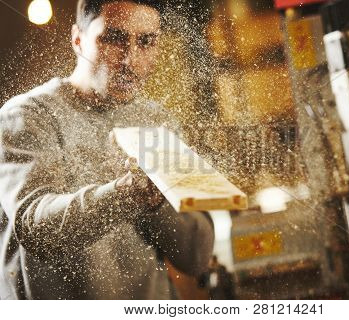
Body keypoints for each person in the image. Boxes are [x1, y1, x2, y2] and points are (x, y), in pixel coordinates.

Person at [0, 0, 214, 299]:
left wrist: (157, 201)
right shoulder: (28, 115)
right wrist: (127, 195)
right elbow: (37, 230)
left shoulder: (157, 123)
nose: (130, 59)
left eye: (146, 42)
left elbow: (196, 255)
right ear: (78, 40)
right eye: (114, 39)